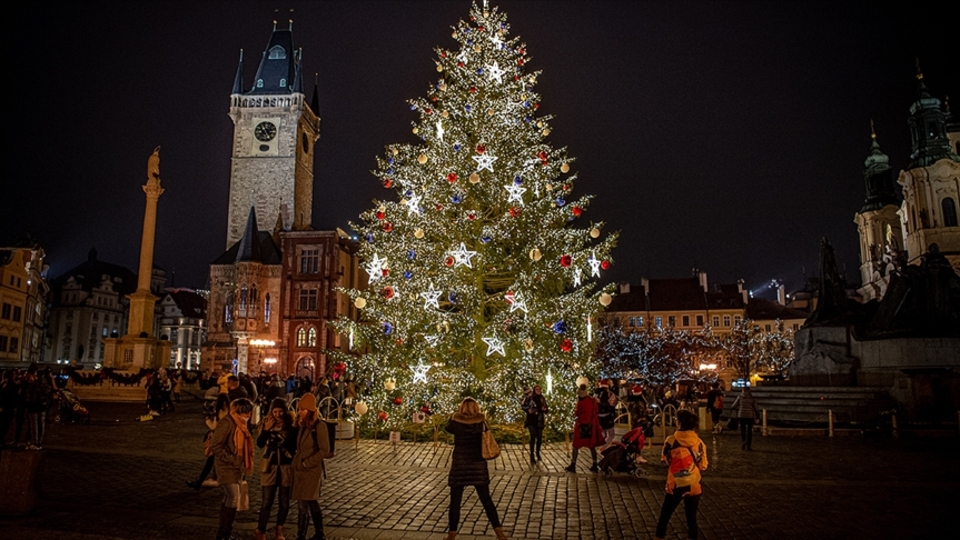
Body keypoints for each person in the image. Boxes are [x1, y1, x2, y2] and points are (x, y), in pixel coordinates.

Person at [444, 398, 507, 540]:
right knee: (486, 500)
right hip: (478, 464)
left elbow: (447, 428)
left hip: (460, 464)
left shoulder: (456, 423)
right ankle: (499, 533)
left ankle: (451, 535)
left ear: (461, 408)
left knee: (455, 502)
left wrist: (454, 415)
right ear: (476, 408)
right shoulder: (481, 422)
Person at [654, 409, 709, 540]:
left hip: (676, 483)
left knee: (665, 515)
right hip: (694, 483)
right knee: (691, 518)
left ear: (679, 423)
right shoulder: (699, 443)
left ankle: (659, 537)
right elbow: (703, 465)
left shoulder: (671, 441)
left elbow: (665, 460)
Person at [209, 397, 255, 540]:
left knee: (229, 498)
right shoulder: (227, 423)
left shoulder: (241, 425)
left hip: (236, 468)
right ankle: (225, 533)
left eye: (248, 412)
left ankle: (223, 532)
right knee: (233, 497)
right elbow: (216, 445)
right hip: (226, 466)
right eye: (244, 412)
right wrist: (232, 459)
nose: (247, 415)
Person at [291, 393, 334, 540]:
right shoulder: (303, 426)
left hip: (311, 470)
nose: (299, 412)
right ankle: (311, 533)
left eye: (302, 409)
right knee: (306, 502)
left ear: (310, 410)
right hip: (300, 470)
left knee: (306, 501)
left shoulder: (319, 426)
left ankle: (309, 534)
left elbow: (324, 450)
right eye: (299, 409)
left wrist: (307, 462)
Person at [255, 398, 298, 540]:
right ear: (271, 412)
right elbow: (260, 444)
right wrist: (266, 430)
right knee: (267, 501)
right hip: (270, 466)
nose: (278, 415)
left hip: (286, 467)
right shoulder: (266, 424)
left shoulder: (291, 426)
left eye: (280, 411)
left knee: (284, 501)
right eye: (275, 411)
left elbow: (294, 446)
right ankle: (261, 531)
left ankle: (279, 531)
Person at [188, 394, 231, 491]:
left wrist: (207, 420)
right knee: (214, 462)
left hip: (220, 440)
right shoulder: (230, 411)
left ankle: (199, 482)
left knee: (212, 462)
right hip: (225, 440)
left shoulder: (222, 412)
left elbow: (214, 427)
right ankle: (199, 482)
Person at [566, 384, 604, 473]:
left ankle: (573, 464)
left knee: (575, 446)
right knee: (591, 446)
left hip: (581, 426)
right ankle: (594, 464)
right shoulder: (591, 400)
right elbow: (596, 409)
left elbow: (577, 413)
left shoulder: (581, 402)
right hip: (591, 425)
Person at [521, 386, 548, 464]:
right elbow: (525, 405)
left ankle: (537, 453)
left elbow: (545, 408)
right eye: (537, 389)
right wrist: (528, 410)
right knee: (533, 437)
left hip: (539, 421)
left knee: (539, 439)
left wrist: (545, 409)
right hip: (532, 420)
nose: (538, 390)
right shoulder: (531, 397)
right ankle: (532, 455)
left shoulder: (542, 398)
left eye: (539, 389)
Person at [595, 380, 617, 447]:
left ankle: (602, 447)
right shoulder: (608, 393)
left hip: (598, 416)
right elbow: (610, 405)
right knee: (611, 434)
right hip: (607, 416)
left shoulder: (596, 394)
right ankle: (603, 448)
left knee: (603, 433)